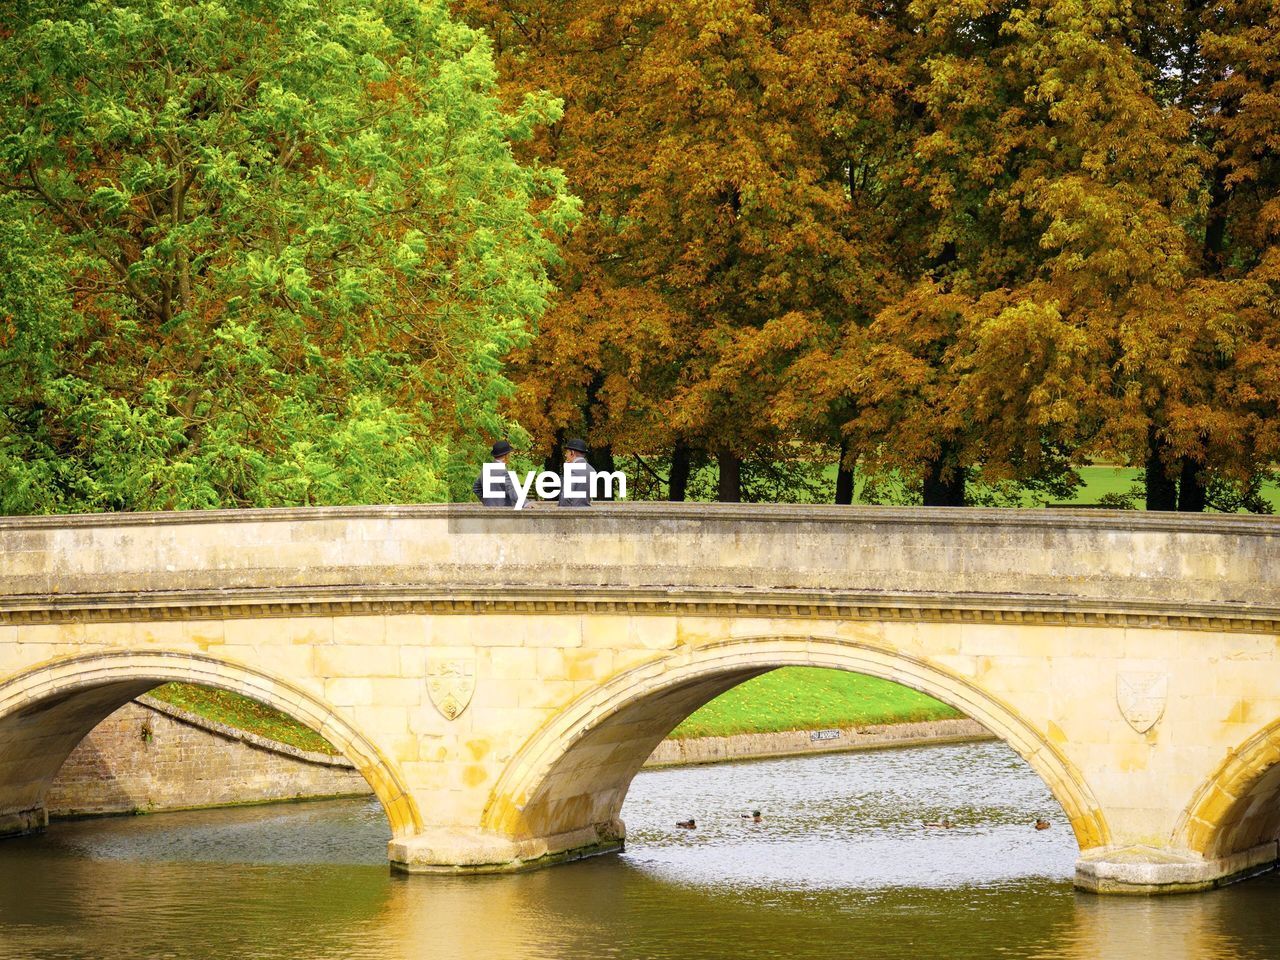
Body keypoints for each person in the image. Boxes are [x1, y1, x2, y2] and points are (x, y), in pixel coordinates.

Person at [472, 440, 519, 507]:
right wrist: (527, 503)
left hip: (488, 509)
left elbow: (476, 488)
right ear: (506, 456)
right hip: (503, 511)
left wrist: (487, 501)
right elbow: (512, 490)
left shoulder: (485, 469)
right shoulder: (503, 471)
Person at [558, 438, 595, 507]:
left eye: (567, 452)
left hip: (572, 514)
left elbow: (565, 498)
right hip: (586, 513)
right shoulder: (592, 470)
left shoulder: (572, 469)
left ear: (572, 452)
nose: (566, 455)